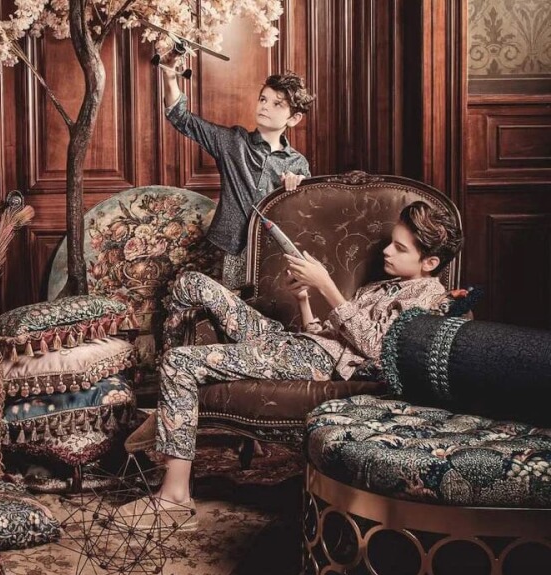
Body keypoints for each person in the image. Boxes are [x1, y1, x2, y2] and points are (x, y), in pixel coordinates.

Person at [120, 201, 464, 531]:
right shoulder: (380, 286)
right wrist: (304, 298)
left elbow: (375, 348)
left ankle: (175, 498)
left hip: (315, 362)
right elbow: (326, 334)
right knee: (191, 283)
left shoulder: (428, 299)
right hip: (297, 345)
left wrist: (326, 285)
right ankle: (174, 419)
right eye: (391, 242)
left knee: (179, 362)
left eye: (400, 248)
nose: (387, 251)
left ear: (430, 262)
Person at [156, 40, 314, 289]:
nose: (264, 106)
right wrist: (169, 75)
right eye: (263, 99)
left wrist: (297, 191)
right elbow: (181, 118)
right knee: (227, 305)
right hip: (228, 251)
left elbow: (304, 219)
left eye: (277, 104)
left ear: (294, 119)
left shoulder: (298, 163)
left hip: (272, 255)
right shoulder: (233, 142)